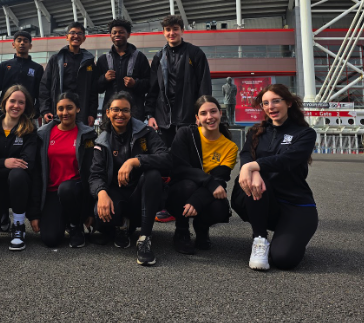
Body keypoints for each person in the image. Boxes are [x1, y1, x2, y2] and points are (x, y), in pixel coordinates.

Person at [231, 84, 318, 271]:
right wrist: (249, 168)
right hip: (265, 198)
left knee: (284, 259)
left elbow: (286, 160)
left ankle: (293, 235)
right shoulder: (255, 131)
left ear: (288, 103)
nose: (271, 107)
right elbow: (246, 153)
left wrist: (252, 166)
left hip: (296, 204)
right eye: (265, 103)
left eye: (276, 101)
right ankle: (259, 239)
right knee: (255, 182)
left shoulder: (305, 134)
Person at [89, 92, 168, 266]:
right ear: (108, 112)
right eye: (115, 110)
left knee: (153, 174)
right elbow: (95, 174)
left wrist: (135, 161)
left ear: (131, 113)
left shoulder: (146, 132)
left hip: (141, 195)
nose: (120, 114)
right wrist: (101, 193)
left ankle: (145, 239)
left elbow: (165, 157)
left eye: (125, 110)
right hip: (115, 193)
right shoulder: (101, 140)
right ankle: (122, 226)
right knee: (100, 216)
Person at [165, 95, 238, 255]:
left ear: (220, 113)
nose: (209, 117)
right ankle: (182, 230)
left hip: (206, 194)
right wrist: (208, 181)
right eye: (204, 113)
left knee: (220, 208)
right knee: (188, 185)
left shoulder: (230, 147)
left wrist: (197, 200)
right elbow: (180, 169)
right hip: (179, 191)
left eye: (213, 112)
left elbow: (220, 180)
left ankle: (201, 229)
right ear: (197, 118)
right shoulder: (185, 134)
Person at [28, 92, 97, 248]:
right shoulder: (43, 135)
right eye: (60, 109)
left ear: (78, 109)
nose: (65, 113)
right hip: (52, 192)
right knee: (50, 239)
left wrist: (90, 211)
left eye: (69, 108)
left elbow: (92, 172)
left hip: (76, 191)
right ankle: (64, 220)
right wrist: (35, 214)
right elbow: (37, 175)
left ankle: (75, 226)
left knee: (66, 188)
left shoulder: (87, 135)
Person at [0, 85, 38, 251]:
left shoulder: (30, 130)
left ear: (26, 106)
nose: (16, 105)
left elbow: (27, 163)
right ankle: (2, 216)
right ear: (4, 103)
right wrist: (3, 163)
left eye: (21, 102)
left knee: (18, 174)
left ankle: (18, 226)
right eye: (12, 101)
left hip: (18, 187)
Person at [145, 14, 212, 147]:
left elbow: (204, 87)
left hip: (189, 120)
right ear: (163, 32)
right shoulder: (158, 57)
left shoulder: (195, 53)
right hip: (163, 122)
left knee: (188, 160)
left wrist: (202, 113)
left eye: (175, 29)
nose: (172, 33)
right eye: (168, 29)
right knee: (166, 160)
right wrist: (150, 115)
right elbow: (152, 89)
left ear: (182, 30)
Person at [39, 22, 98, 126]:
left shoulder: (89, 62)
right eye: (72, 33)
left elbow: (93, 90)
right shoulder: (56, 59)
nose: (76, 36)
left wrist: (92, 114)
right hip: (59, 111)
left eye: (79, 33)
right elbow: (45, 86)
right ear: (67, 37)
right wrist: (45, 109)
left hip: (81, 112)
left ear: (84, 38)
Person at [96, 19, 151, 120]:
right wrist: (104, 79)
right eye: (114, 32)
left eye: (121, 32)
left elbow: (149, 84)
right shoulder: (102, 60)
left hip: (134, 114)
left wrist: (136, 83)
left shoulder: (140, 57)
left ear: (128, 34)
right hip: (111, 114)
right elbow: (97, 88)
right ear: (110, 36)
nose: (117, 35)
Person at [0, 31, 44, 118]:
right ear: (13, 44)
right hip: (5, 114)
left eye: (25, 41)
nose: (22, 43)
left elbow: (41, 93)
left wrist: (35, 112)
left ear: (30, 46)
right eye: (19, 40)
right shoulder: (4, 66)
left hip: (27, 116)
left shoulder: (37, 68)